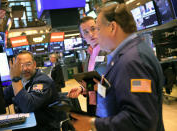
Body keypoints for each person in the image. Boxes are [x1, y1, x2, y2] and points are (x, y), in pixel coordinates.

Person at [70, 2, 165, 131]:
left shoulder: (132, 61)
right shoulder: (127, 53)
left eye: (97, 28)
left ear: (112, 27)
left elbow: (140, 121)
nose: (95, 34)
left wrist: (93, 124)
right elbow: (120, 94)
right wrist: (101, 89)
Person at [3, 51, 61, 131]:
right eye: (20, 65)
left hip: (43, 128)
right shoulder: (22, 81)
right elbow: (1, 101)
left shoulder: (43, 81)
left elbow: (28, 107)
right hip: (26, 126)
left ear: (34, 64)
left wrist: (15, 79)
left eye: (28, 64)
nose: (25, 69)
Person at [68, 16, 107, 116]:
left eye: (93, 29)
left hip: (106, 105)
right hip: (92, 105)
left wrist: (97, 87)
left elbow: (113, 84)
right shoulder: (89, 55)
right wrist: (82, 89)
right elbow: (92, 82)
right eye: (85, 32)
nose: (91, 34)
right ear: (82, 36)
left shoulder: (108, 50)